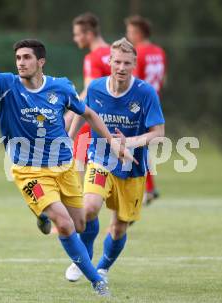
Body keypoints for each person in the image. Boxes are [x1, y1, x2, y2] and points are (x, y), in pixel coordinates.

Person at [0, 18, 134, 296]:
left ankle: (45, 219)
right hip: (29, 171)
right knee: (64, 224)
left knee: (82, 223)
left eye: (26, 58)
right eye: (17, 58)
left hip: (63, 167)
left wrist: (112, 143)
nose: (20, 62)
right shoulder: (8, 86)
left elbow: (88, 113)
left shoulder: (60, 87)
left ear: (41, 62)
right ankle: (97, 281)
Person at [64, 38, 165, 291]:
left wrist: (128, 143)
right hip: (100, 159)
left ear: (134, 65)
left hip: (132, 168)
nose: (121, 67)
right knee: (87, 209)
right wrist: (70, 138)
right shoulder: (96, 87)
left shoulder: (145, 93)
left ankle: (102, 268)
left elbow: (159, 133)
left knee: (119, 227)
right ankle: (84, 260)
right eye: (117, 61)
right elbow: (81, 111)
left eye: (127, 63)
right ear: (109, 61)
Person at [125, 15, 167, 204]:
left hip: (140, 103)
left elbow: (136, 82)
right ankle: (149, 188)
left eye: (130, 31)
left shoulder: (138, 52)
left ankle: (146, 189)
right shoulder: (159, 51)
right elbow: (163, 79)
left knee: (135, 143)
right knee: (142, 145)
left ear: (138, 32)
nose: (128, 35)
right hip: (155, 100)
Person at [67, 12, 111, 176]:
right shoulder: (116, 53)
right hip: (115, 117)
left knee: (77, 163)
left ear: (89, 34)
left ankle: (80, 200)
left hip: (94, 118)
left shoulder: (93, 58)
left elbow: (89, 93)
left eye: (78, 34)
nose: (75, 39)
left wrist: (69, 115)